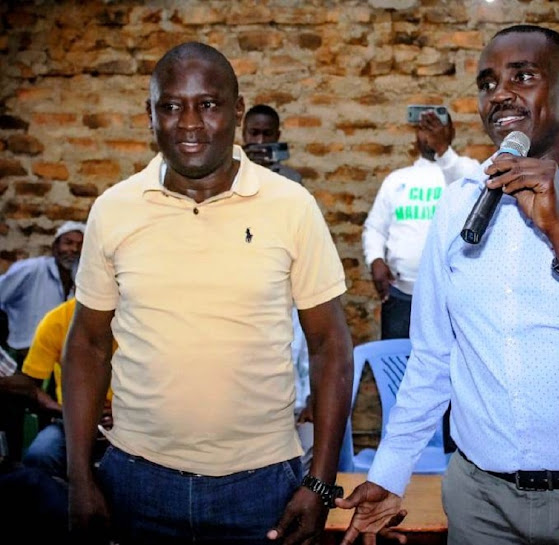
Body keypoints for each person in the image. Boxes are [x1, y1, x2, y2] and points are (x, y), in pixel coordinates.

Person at [337, 24, 559, 545]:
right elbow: (433, 357)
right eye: (487, 83)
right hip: (483, 508)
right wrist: (390, 472)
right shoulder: (459, 205)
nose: (500, 94)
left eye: (522, 76)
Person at [63, 41, 352, 544]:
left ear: (237, 110)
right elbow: (86, 345)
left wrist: (320, 484)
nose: (190, 123)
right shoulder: (114, 210)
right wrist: (80, 478)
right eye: (171, 106)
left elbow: (330, 346)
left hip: (261, 486)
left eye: (209, 104)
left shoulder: (291, 207)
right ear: (149, 114)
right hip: (136, 481)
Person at [362, 109, 480, 340]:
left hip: (450, 299)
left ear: (451, 132)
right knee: (398, 368)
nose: (429, 134)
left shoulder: (468, 170)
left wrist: (443, 150)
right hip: (402, 296)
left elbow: (473, 194)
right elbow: (375, 228)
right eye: (423, 128)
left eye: (436, 127)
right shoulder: (397, 179)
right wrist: (375, 260)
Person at [242, 102, 314, 474]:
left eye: (266, 135)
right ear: (242, 135)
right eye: (252, 134)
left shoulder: (292, 181)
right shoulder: (226, 176)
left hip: (283, 289)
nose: (258, 141)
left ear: (277, 137)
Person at [17, 298, 115, 480]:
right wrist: (67, 411)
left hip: (129, 424)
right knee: (40, 455)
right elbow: (30, 385)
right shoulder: (57, 320)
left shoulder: (139, 322)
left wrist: (123, 414)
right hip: (68, 421)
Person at [0, 220, 85, 363]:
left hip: (55, 360)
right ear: (55, 246)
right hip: (22, 357)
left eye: (80, 245)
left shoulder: (80, 281)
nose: (74, 249)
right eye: (68, 243)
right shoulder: (32, 269)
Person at [242, 103, 302, 183]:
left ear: (277, 136)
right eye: (254, 133)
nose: (260, 141)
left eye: (268, 134)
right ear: (244, 134)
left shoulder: (291, 179)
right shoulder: (229, 174)